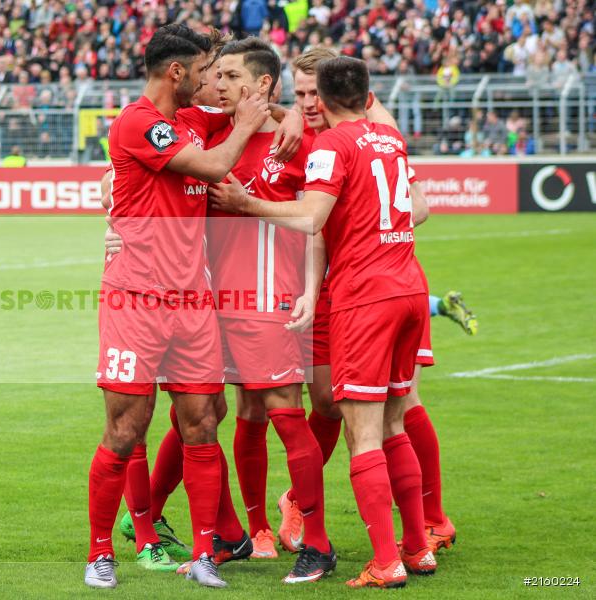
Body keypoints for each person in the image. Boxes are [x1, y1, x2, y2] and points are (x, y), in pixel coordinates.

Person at [209, 56, 437, 588]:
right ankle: (418, 545)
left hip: (361, 295)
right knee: (390, 420)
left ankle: (384, 560)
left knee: (363, 431)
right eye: (299, 95)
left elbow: (312, 218)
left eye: (313, 95)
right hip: (405, 285)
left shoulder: (332, 144)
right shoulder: (388, 136)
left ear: (326, 97)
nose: (306, 104)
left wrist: (245, 203)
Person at [84, 23, 269, 590]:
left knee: (201, 424)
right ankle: (99, 554)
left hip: (193, 303)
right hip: (136, 299)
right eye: (204, 71)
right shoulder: (139, 122)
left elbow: (266, 112)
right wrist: (245, 127)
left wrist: (271, 114)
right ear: (175, 73)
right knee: (127, 426)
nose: (212, 81)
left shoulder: (186, 121)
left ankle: (205, 552)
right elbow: (215, 168)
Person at [205, 37, 335, 584]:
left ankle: (318, 542)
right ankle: (256, 530)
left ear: (260, 84)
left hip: (270, 298)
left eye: (231, 76)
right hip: (218, 301)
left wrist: (290, 119)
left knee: (286, 411)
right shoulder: (213, 133)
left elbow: (316, 222)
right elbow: (139, 140)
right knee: (246, 413)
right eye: (218, 76)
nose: (219, 85)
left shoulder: (301, 145)